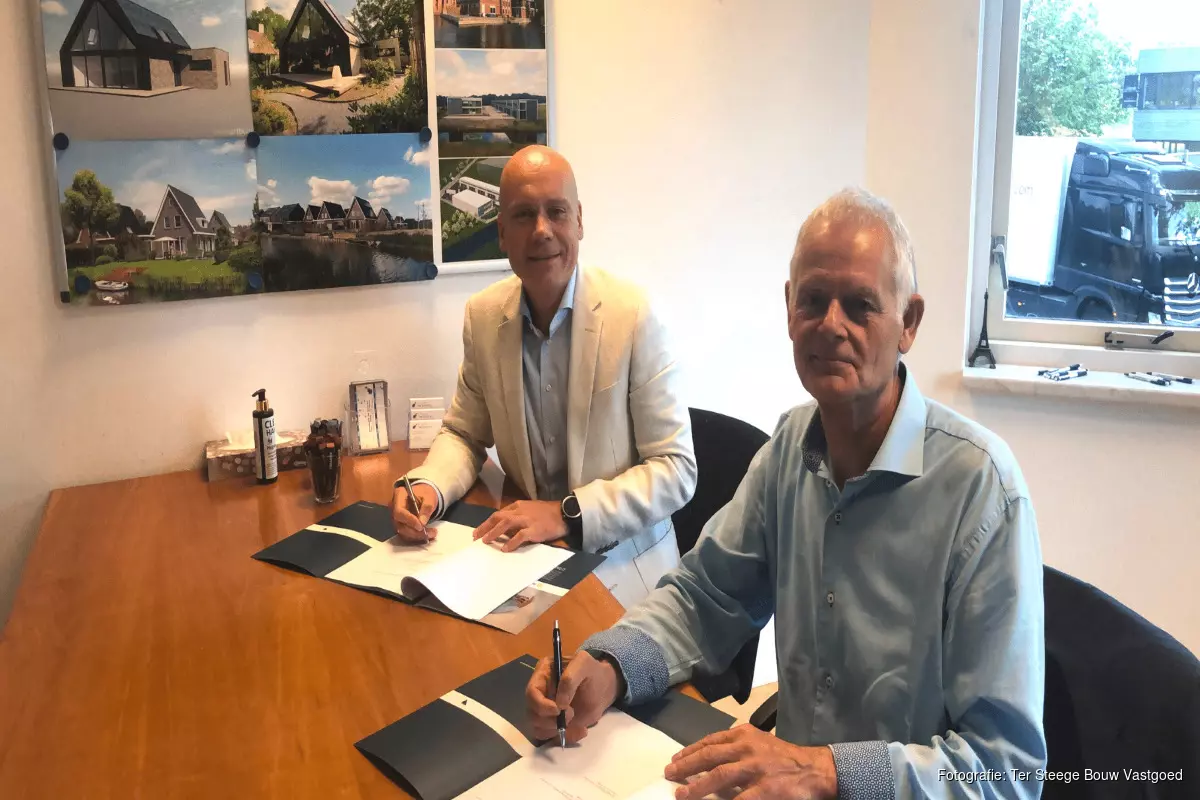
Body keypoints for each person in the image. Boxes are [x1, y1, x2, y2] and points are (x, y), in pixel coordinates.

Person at [525, 189, 1047, 799]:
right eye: (813, 300)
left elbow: (1006, 770)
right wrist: (610, 665)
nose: (831, 325)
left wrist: (827, 772)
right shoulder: (791, 447)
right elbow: (705, 597)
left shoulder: (982, 491)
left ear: (908, 322)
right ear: (789, 308)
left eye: (860, 305)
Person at [390, 145, 698, 609]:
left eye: (556, 212)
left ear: (579, 221)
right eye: (523, 215)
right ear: (501, 233)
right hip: (525, 561)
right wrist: (427, 486)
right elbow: (464, 434)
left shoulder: (633, 315)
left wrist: (566, 514)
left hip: (624, 572)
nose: (541, 230)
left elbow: (676, 470)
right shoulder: (483, 317)